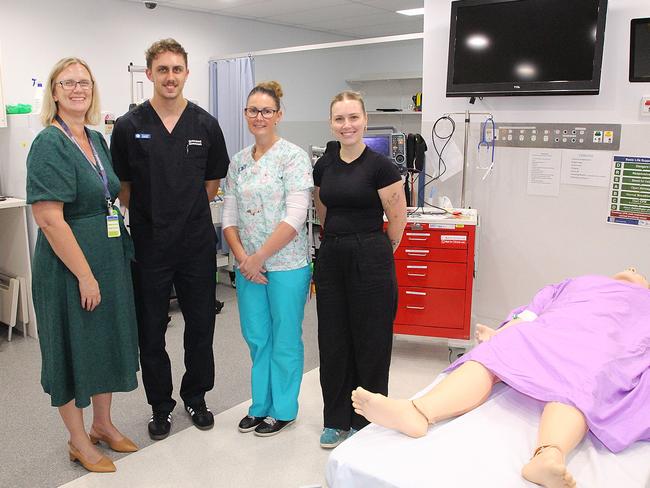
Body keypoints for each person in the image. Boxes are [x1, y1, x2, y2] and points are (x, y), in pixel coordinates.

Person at [351, 268, 650, 488]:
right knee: (495, 353)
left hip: (601, 348)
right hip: (549, 332)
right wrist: (502, 333)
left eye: (639, 272)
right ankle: (417, 412)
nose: (633, 270)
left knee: (582, 378)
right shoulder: (577, 283)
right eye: (628, 267)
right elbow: (531, 314)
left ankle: (548, 455)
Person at [110, 38, 229, 440]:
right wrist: (155, 216)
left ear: (187, 73)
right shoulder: (129, 127)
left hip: (195, 243)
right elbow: (123, 185)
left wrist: (183, 213)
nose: (170, 77)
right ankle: (160, 406)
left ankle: (196, 396)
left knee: (200, 326)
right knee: (151, 328)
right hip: (149, 244)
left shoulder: (205, 124)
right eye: (162, 70)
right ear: (149, 75)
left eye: (177, 69)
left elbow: (212, 183)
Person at [26, 57, 140, 473]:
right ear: (54, 91)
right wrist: (85, 275)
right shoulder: (49, 143)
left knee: (105, 342)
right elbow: (49, 219)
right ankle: (78, 441)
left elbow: (110, 195)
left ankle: (103, 425)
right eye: (68, 82)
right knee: (72, 350)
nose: (78, 89)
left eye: (84, 82)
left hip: (106, 259)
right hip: (68, 268)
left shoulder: (95, 137)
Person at [313, 91, 407, 448]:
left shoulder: (381, 166)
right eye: (340, 118)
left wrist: (380, 249)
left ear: (365, 120)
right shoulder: (324, 164)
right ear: (331, 123)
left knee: (371, 339)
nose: (347, 125)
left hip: (371, 253)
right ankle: (335, 418)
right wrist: (335, 240)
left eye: (353, 117)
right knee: (333, 339)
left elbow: (397, 218)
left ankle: (366, 419)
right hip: (333, 254)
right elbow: (323, 207)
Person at [222, 81, 313, 437]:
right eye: (252, 110)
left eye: (266, 111)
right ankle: (260, 405)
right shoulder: (239, 161)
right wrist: (244, 258)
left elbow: (295, 216)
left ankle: (284, 409)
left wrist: (259, 257)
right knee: (257, 337)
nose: (258, 117)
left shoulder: (293, 157)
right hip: (248, 267)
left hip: (286, 264)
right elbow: (229, 215)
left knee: (286, 337)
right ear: (245, 115)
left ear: (278, 115)